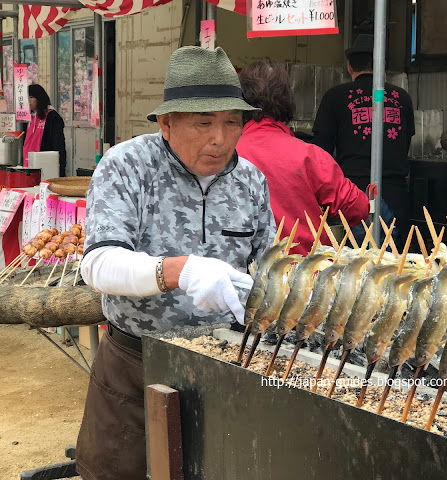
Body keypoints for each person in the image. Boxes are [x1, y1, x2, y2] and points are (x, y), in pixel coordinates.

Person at [76, 46, 275, 480]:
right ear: (166, 123)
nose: (220, 139)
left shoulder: (250, 182)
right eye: (204, 123)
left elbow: (268, 268)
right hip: (136, 364)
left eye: (231, 122)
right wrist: (179, 270)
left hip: (226, 364)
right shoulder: (128, 166)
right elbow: (98, 263)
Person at [236, 60, 369, 254]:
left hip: (241, 273)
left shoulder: (224, 155)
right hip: (305, 273)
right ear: (288, 100)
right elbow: (358, 207)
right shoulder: (310, 156)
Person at [312, 34, 415, 243]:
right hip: (396, 199)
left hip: (350, 199)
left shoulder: (335, 97)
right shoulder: (402, 98)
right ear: (383, 65)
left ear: (349, 66)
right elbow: (404, 145)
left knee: (352, 271)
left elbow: (320, 153)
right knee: (391, 270)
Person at [23, 84, 67, 177]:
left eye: (31, 97)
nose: (28, 101)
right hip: (28, 165)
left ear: (39, 98)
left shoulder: (52, 116)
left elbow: (58, 145)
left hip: (46, 166)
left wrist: (61, 168)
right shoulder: (28, 118)